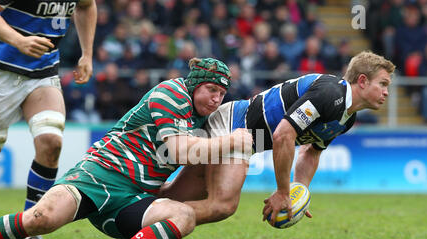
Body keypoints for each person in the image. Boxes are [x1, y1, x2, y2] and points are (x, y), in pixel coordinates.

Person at [0, 58, 253, 239]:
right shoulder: (172, 93)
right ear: (195, 85)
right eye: (211, 90)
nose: (217, 99)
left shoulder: (204, 117)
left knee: (184, 215)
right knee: (42, 219)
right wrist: (231, 141)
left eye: (222, 93)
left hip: (132, 200)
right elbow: (181, 151)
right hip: (98, 176)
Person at [160, 51, 396, 228]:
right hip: (234, 125)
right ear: (363, 81)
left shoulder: (347, 119)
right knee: (223, 205)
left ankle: (141, 216)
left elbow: (311, 151)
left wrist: (298, 192)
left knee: (177, 197)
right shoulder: (330, 93)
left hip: (241, 136)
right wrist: (283, 191)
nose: (387, 92)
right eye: (383, 84)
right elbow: (283, 135)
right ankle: (144, 221)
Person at [0, 0, 97, 239]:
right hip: (0, 73)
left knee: (51, 143)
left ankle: (28, 230)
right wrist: (19, 41)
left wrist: (87, 54)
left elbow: (87, 6)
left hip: (43, 73)